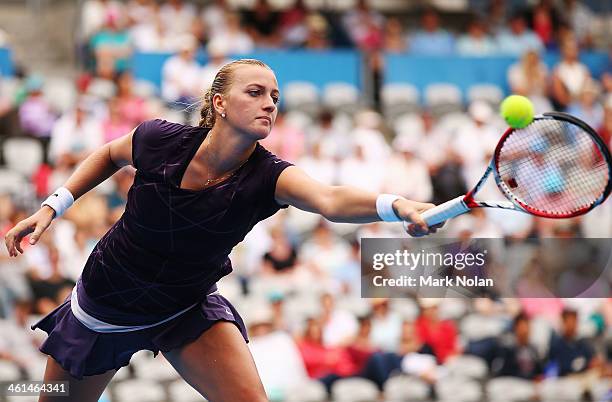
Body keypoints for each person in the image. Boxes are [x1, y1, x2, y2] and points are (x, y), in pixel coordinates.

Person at [4, 59, 440, 402]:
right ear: (219, 103)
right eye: (255, 92)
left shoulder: (268, 176)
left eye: (275, 95)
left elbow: (330, 199)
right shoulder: (160, 140)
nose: (270, 103)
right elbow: (109, 154)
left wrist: (395, 205)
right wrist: (54, 205)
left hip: (184, 306)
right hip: (107, 303)